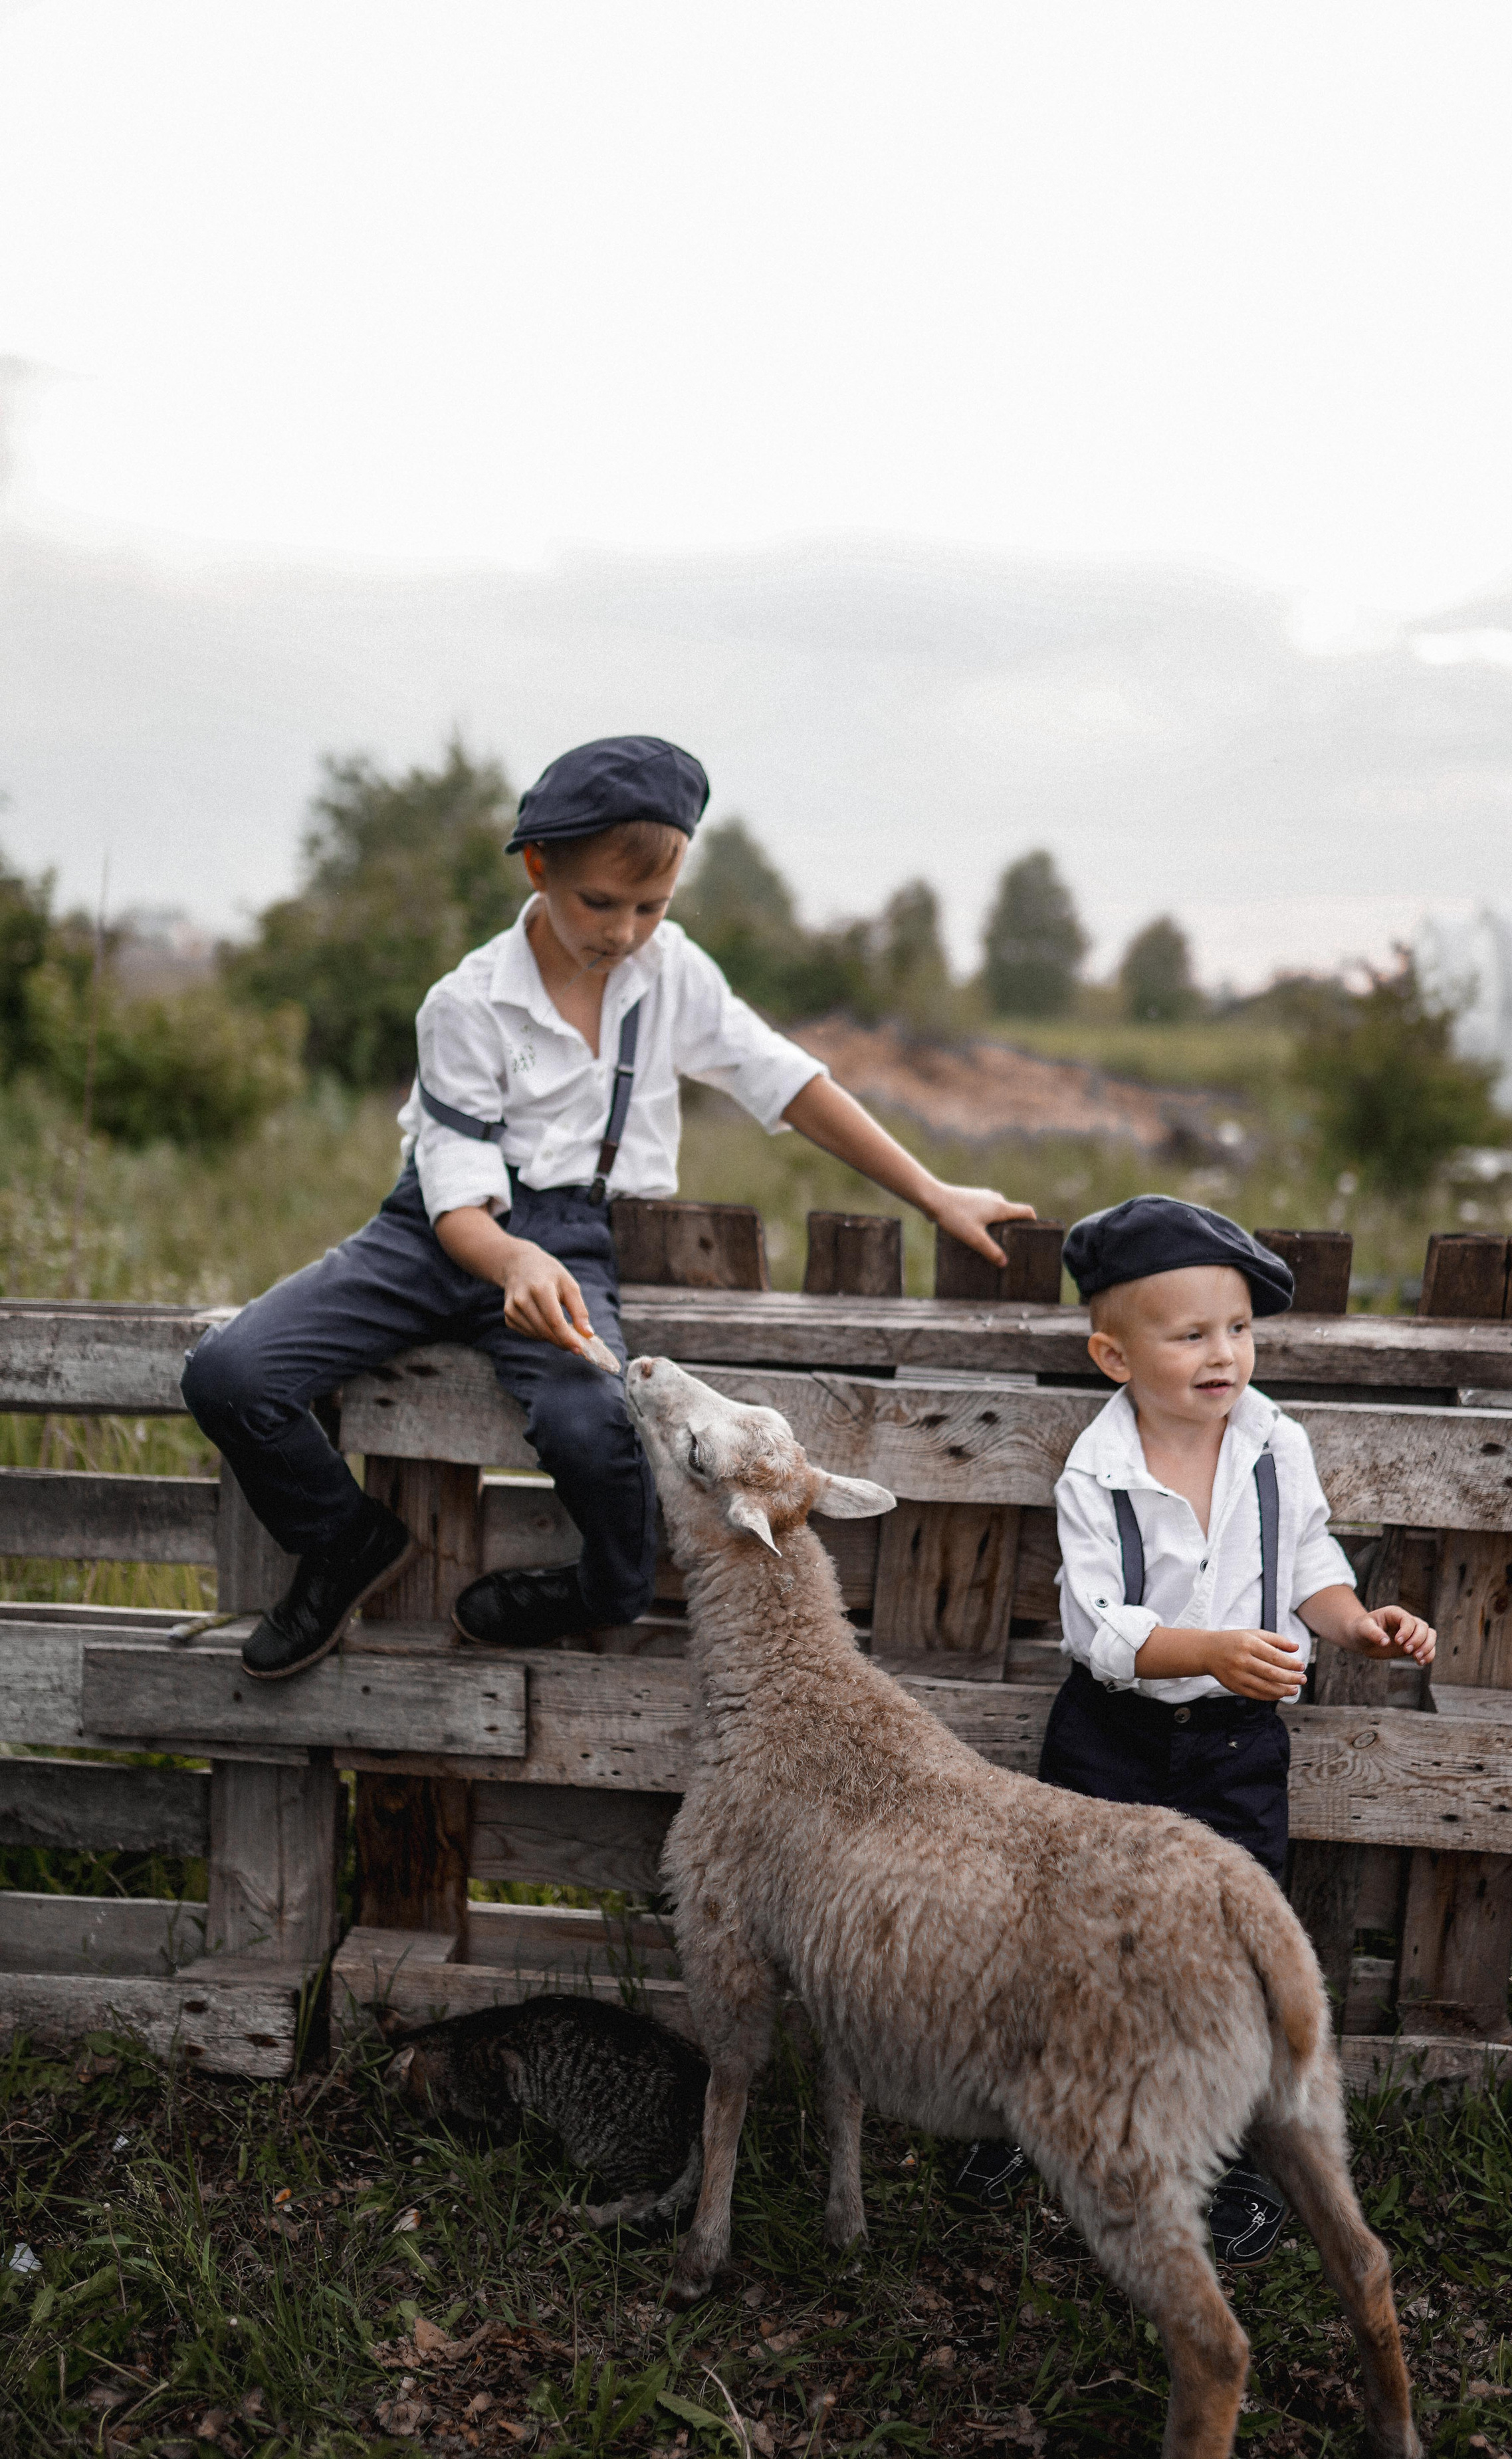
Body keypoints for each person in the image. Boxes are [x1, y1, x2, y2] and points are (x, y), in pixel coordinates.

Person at [183, 735, 1033, 1681]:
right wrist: (509, 1262)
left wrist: (934, 1191)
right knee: (231, 1374)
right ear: (539, 866)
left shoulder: (671, 973)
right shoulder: (465, 1006)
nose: (624, 930)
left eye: (650, 907)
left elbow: (788, 1083)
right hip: (433, 1231)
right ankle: (345, 1542)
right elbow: (456, 1200)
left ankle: (612, 1587)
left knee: (593, 1426)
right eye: (600, 902)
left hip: (577, 1234)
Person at [953, 1194, 1436, 2263]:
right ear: (1115, 1356)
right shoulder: (1100, 1470)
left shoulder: (1274, 1444)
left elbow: (1309, 1563)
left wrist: (1359, 1624)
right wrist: (1212, 1648)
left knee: (1224, 1952)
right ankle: (1031, 2124)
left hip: (1234, 1749)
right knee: (1078, 1939)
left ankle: (1218, 2164)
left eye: (1239, 1330)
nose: (1225, 1356)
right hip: (1112, 1738)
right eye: (1192, 1336)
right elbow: (1104, 1631)